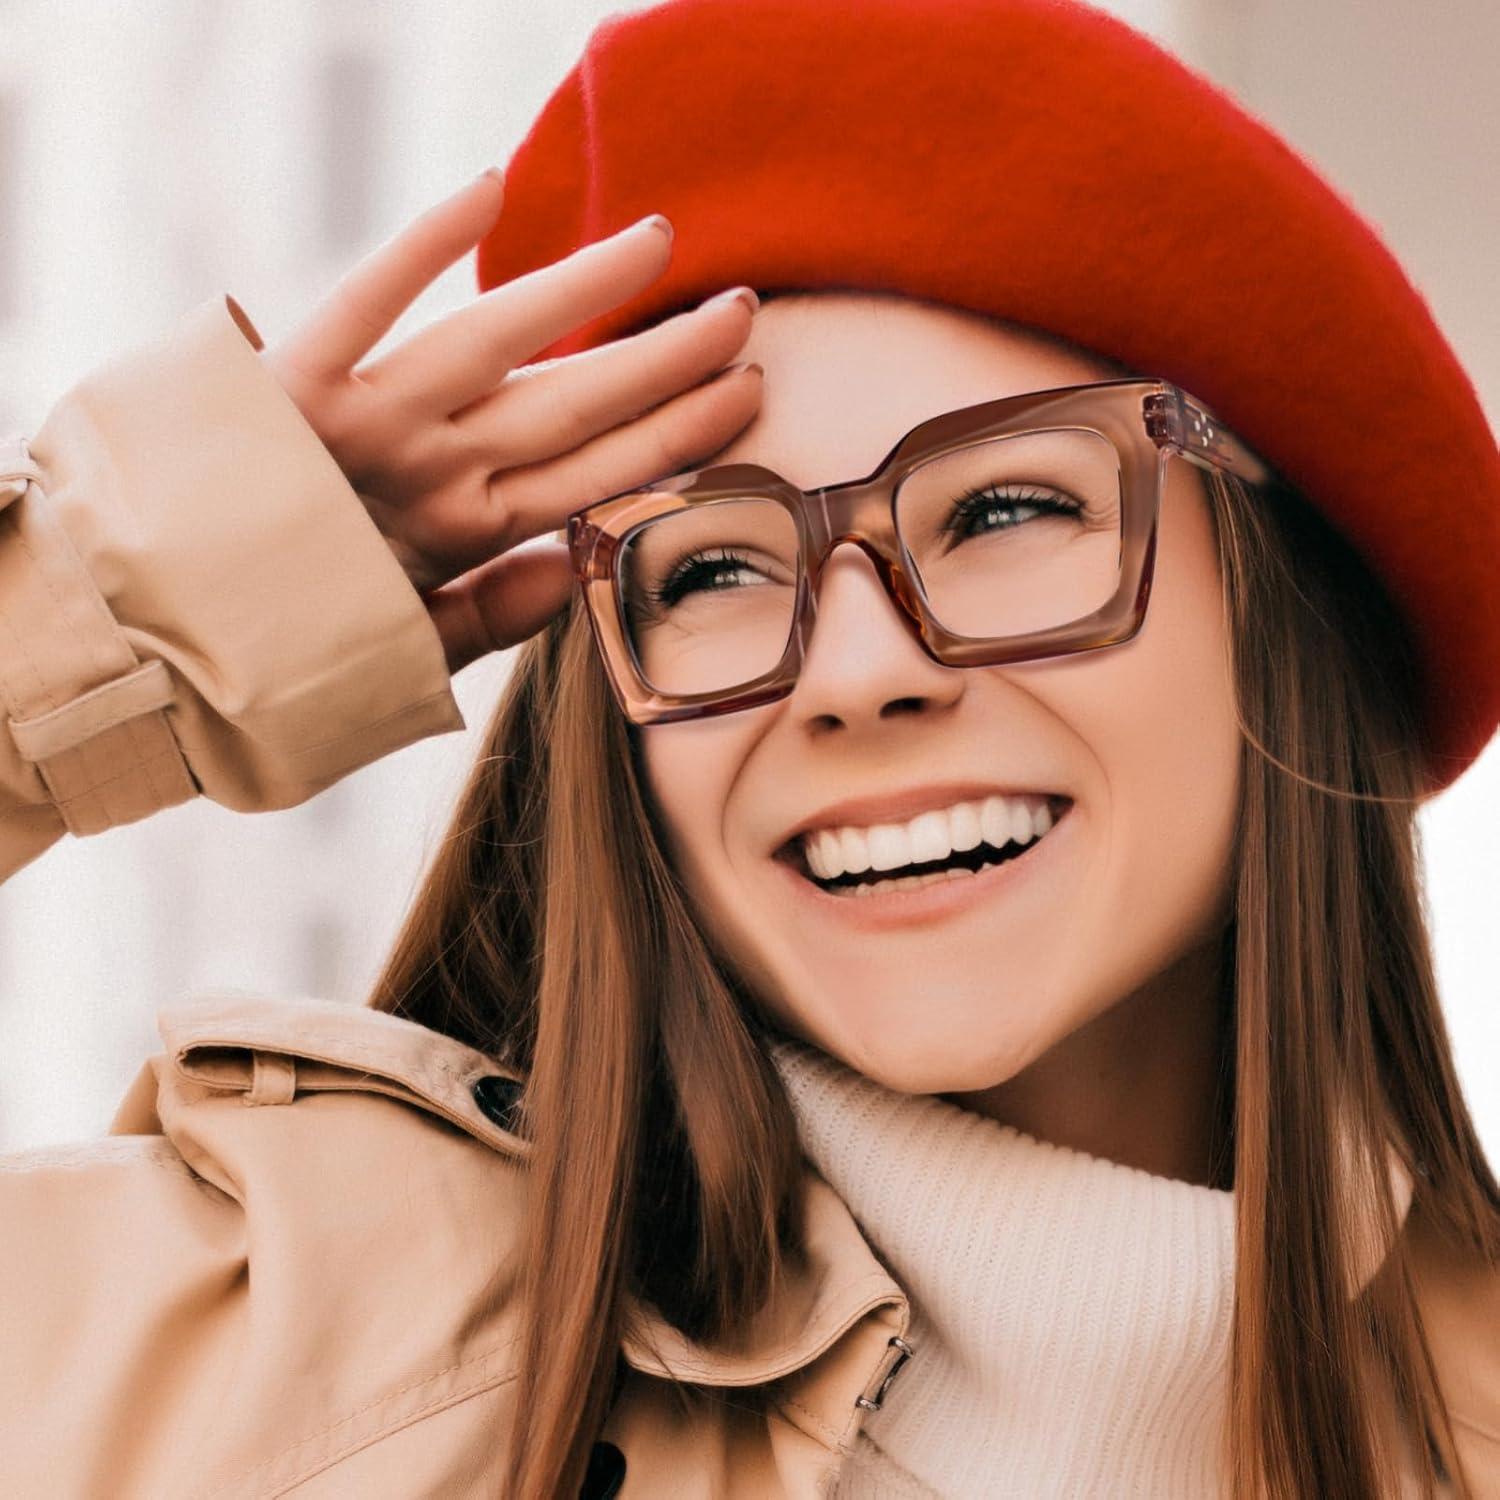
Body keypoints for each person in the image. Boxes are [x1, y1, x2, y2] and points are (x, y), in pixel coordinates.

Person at [1, 0, 1497, 1497]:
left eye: (1008, 511)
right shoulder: (260, 1363)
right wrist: (111, 620)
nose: (854, 671)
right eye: (710, 569)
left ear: (1280, 603)